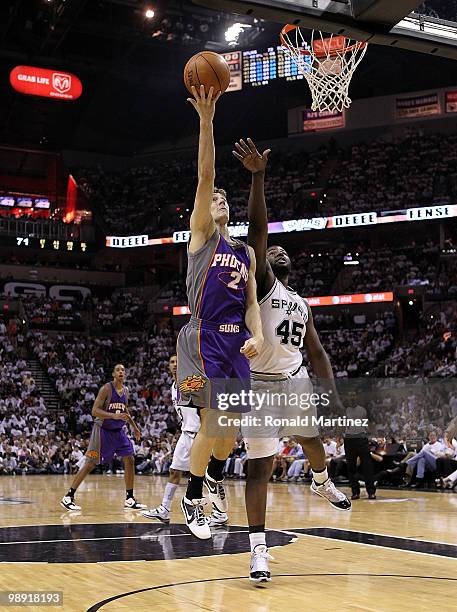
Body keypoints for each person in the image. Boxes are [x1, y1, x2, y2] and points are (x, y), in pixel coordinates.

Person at [233, 138, 350, 583]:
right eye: (270, 252)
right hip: (258, 385)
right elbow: (259, 232)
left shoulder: (300, 303)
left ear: (291, 267)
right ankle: (258, 551)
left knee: (312, 439)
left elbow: (317, 353)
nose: (275, 252)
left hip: (295, 378)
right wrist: (259, 177)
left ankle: (321, 482)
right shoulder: (260, 284)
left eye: (283, 253)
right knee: (260, 467)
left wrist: (334, 397)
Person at [177, 87, 263, 539]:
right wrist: (207, 122)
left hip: (235, 342)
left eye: (223, 200)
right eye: (214, 199)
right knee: (210, 420)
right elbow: (206, 174)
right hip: (201, 337)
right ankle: (192, 497)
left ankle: (210, 477)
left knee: (228, 432)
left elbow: (251, 304)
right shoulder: (202, 237)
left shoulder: (245, 252)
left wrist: (260, 336)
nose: (219, 200)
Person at [141, 355, 228, 526]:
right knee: (174, 471)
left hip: (199, 435)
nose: (175, 365)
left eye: (178, 362)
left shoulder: (191, 382)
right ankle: (165, 509)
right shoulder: (174, 386)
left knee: (203, 477)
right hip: (185, 433)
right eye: (172, 362)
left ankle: (219, 513)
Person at [60, 364, 146, 511]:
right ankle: (68, 496)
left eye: (123, 370)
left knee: (130, 459)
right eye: (118, 370)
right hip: (102, 431)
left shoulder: (126, 390)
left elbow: (125, 411)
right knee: (90, 463)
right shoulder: (106, 389)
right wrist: (113, 415)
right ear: (113, 374)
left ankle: (129, 498)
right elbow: (94, 411)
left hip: (118, 431)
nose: (121, 372)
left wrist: (135, 427)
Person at [344, 394, 376, 500]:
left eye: (354, 396)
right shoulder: (344, 410)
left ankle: (371, 492)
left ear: (356, 398)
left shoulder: (363, 410)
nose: (352, 398)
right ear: (348, 398)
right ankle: (355, 492)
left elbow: (370, 424)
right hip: (349, 440)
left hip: (361, 439)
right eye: (350, 397)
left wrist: (372, 436)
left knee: (367, 467)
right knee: (351, 467)